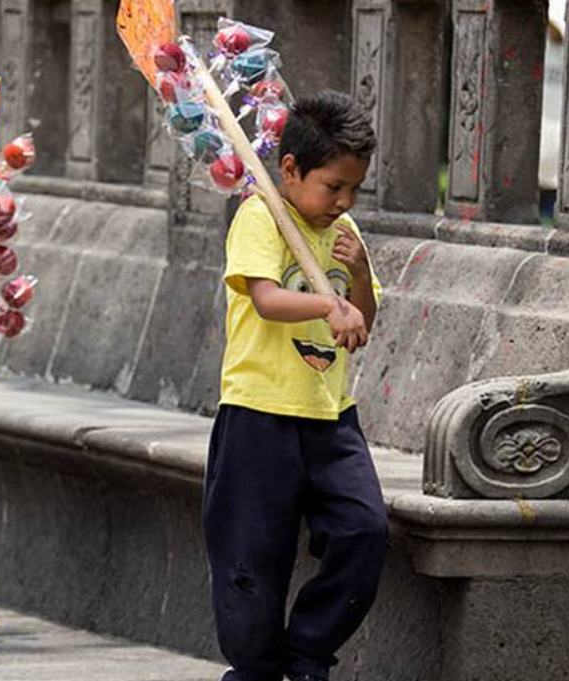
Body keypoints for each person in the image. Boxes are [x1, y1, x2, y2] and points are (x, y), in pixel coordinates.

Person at [203, 90, 389, 681]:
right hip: (258, 415)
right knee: (251, 562)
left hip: (331, 415)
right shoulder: (260, 214)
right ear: (290, 169)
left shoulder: (345, 230)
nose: (345, 201)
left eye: (354, 189)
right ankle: (255, 670)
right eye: (334, 187)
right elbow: (266, 298)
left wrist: (357, 277)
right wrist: (329, 304)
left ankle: (307, 654)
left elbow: (364, 318)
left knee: (365, 528)